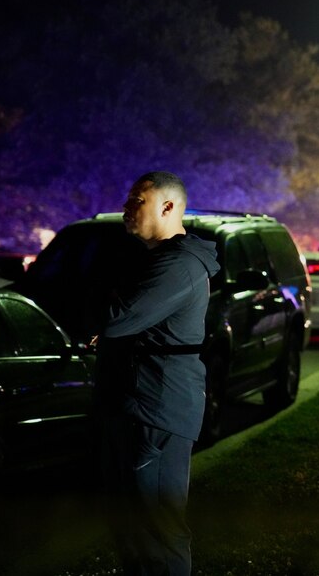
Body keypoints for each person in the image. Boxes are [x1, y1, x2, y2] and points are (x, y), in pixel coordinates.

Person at [92, 171, 220, 576]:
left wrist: (103, 316)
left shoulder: (178, 265)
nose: (127, 208)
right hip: (136, 404)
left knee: (158, 531)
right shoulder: (155, 260)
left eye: (137, 200)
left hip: (157, 412)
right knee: (132, 529)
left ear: (167, 207)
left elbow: (116, 318)